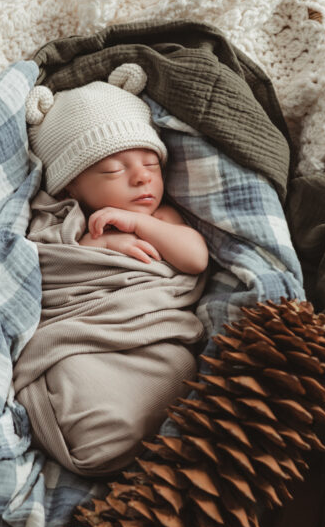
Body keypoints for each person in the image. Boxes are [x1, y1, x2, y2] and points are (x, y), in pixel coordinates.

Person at [12, 63, 209, 476]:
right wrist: (98, 245)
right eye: (113, 169)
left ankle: (144, 428)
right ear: (71, 186)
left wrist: (140, 225)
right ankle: (89, 430)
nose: (141, 179)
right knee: (73, 372)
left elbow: (195, 259)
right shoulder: (59, 219)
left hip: (151, 334)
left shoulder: (165, 216)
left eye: (150, 164)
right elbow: (43, 269)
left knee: (181, 368)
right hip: (83, 336)